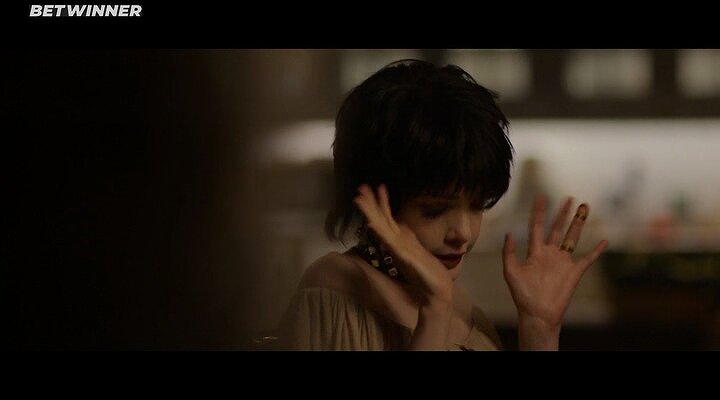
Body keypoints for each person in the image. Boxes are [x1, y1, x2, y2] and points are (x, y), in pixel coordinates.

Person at [276, 59, 608, 350]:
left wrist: (539, 328)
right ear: (376, 198)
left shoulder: (462, 308)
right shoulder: (334, 287)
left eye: (477, 206)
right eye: (434, 210)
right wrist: (434, 313)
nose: (463, 233)